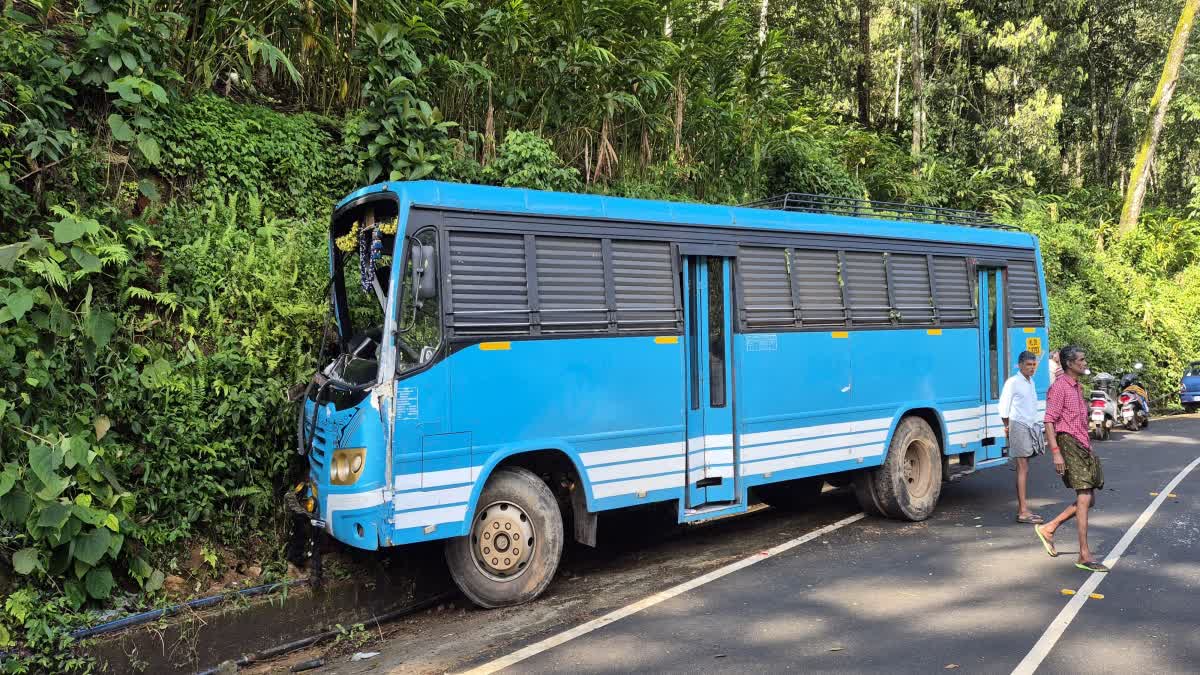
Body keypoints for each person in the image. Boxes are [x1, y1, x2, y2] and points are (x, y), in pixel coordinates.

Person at [1034, 346, 1108, 572]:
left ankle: (1049, 528)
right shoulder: (1059, 388)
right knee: (1084, 495)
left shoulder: (1077, 387)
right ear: (1069, 363)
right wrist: (1055, 452)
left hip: (1083, 443)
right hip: (1067, 443)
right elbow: (1049, 421)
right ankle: (1084, 555)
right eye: (1081, 360)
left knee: (1089, 499)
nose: (1085, 363)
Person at [1000, 351, 1044, 524]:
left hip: (1030, 426)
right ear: (1020, 365)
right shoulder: (1013, 382)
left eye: (1033, 365)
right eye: (1028, 365)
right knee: (1022, 467)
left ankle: (1024, 508)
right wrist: (1007, 426)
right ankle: (1022, 511)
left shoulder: (1030, 381)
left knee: (1024, 468)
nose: (1032, 368)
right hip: (1017, 426)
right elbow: (1004, 407)